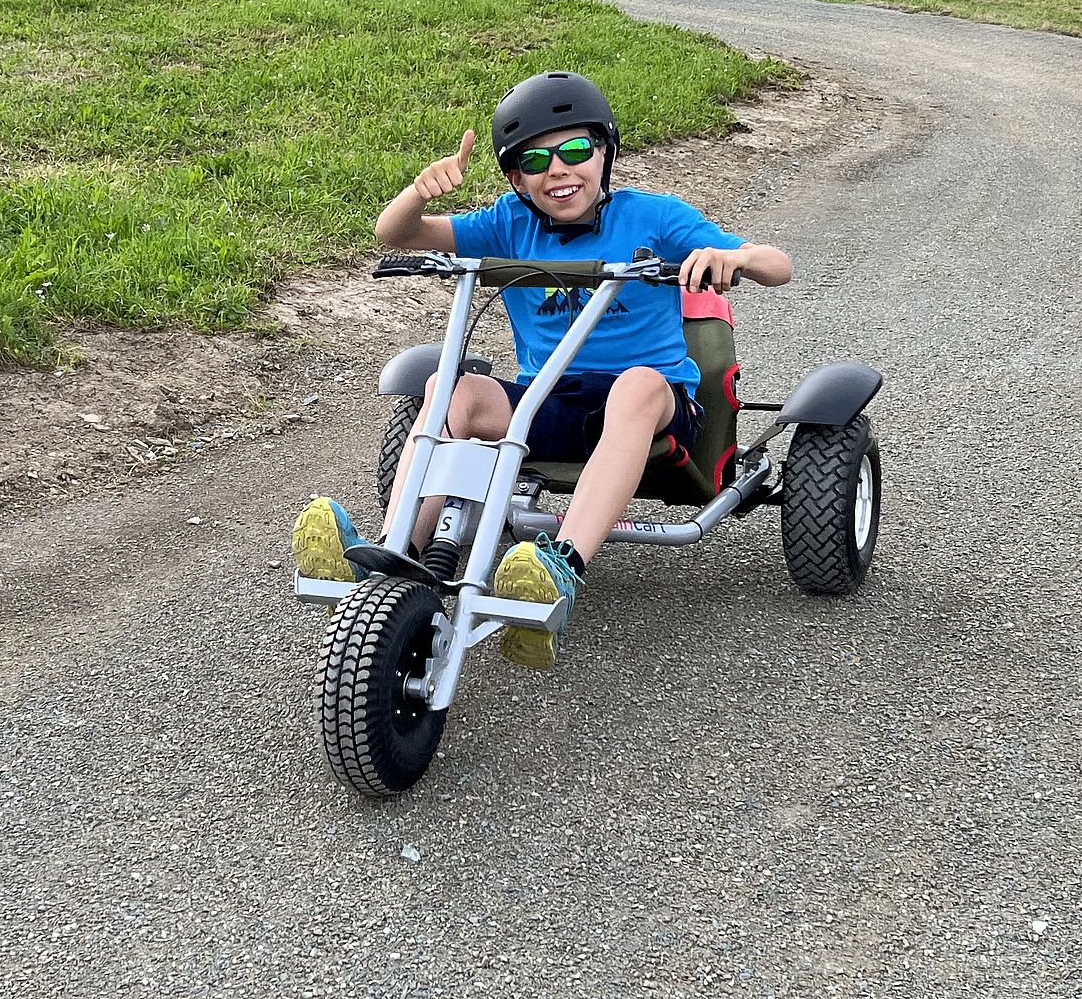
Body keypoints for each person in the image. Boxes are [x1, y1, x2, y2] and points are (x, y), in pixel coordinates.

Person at [293, 70, 792, 667]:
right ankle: (392, 554)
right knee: (449, 389)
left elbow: (777, 265)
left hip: (652, 409)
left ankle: (560, 567)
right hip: (547, 402)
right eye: (536, 160)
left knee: (635, 385)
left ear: (605, 153)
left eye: (576, 150)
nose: (559, 170)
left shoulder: (655, 217)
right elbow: (394, 235)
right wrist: (420, 193)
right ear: (515, 178)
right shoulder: (509, 224)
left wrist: (729, 256)